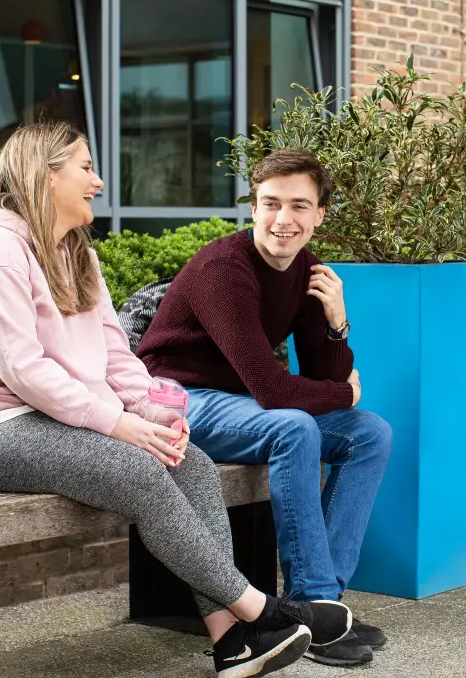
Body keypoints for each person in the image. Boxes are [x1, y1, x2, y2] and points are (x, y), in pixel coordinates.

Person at [0, 122, 354, 678]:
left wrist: (152, 413)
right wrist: (116, 424)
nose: (97, 182)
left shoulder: (73, 251)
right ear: (45, 174)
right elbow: (23, 370)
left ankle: (231, 644)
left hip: (59, 423)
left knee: (191, 464)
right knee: (141, 473)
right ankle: (261, 610)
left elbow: (113, 353)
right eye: (85, 168)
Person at [138, 150, 392, 668]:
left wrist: (336, 321)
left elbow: (322, 374)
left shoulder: (306, 272)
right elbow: (276, 391)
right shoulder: (223, 269)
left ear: (319, 214)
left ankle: (325, 606)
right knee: (293, 427)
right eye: (271, 203)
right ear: (252, 207)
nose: (283, 220)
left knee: (371, 433)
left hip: (240, 401)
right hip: (176, 398)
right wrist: (344, 395)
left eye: (299, 206)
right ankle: (312, 608)